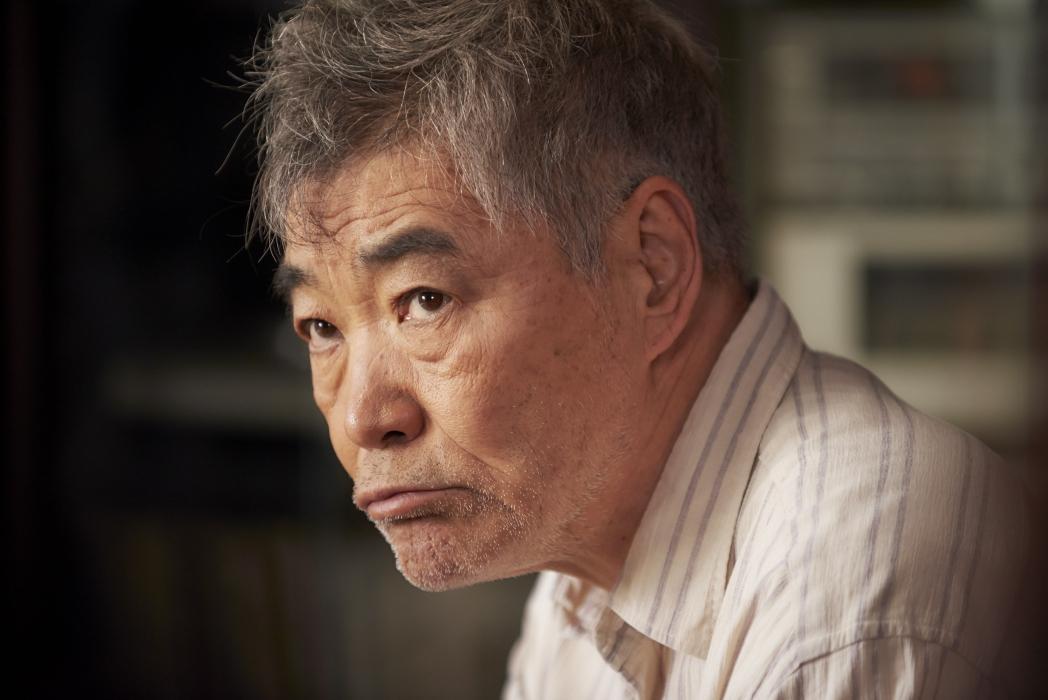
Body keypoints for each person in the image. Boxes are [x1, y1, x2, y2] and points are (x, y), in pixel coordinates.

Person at [246, 0, 1030, 696]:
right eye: (322, 327)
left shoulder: (848, 584)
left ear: (652, 265)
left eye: (423, 300)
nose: (361, 417)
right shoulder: (584, 558)